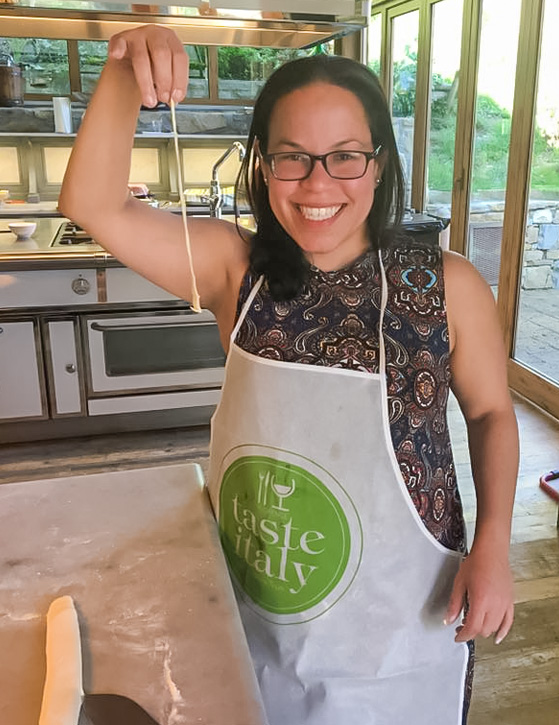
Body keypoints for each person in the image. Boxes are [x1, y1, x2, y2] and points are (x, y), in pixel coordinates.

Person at [59, 24, 518, 725]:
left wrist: (492, 548)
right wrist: (126, 70)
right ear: (262, 165)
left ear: (380, 164)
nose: (317, 184)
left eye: (344, 158)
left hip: (400, 627)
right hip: (255, 613)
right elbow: (91, 205)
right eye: (293, 158)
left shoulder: (446, 287)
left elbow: (491, 415)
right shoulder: (232, 270)